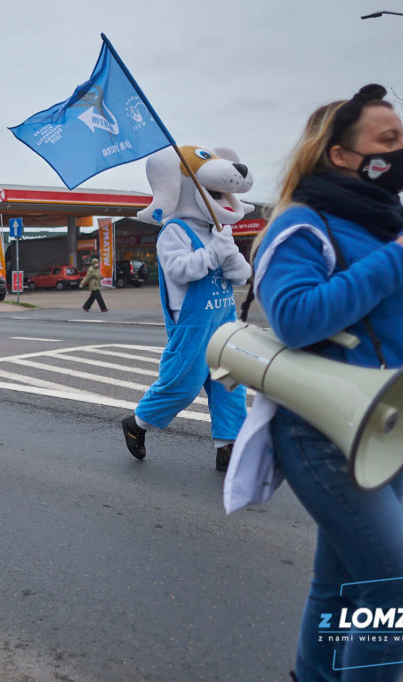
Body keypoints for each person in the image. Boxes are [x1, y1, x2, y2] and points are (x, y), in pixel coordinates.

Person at [250, 84, 403, 681]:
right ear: (342, 156)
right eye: (388, 140)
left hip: (384, 423)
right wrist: (399, 259)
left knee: (342, 587)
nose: (402, 152)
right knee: (401, 599)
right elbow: (295, 319)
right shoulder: (301, 224)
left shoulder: (388, 226)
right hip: (321, 431)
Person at [119, 145, 253, 471]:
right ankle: (137, 424)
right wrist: (213, 254)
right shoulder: (173, 231)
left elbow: (240, 276)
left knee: (230, 386)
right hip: (192, 323)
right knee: (182, 385)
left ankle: (228, 447)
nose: (219, 199)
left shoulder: (215, 231)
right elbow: (178, 270)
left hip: (224, 319)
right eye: (211, 192)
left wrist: (232, 257)